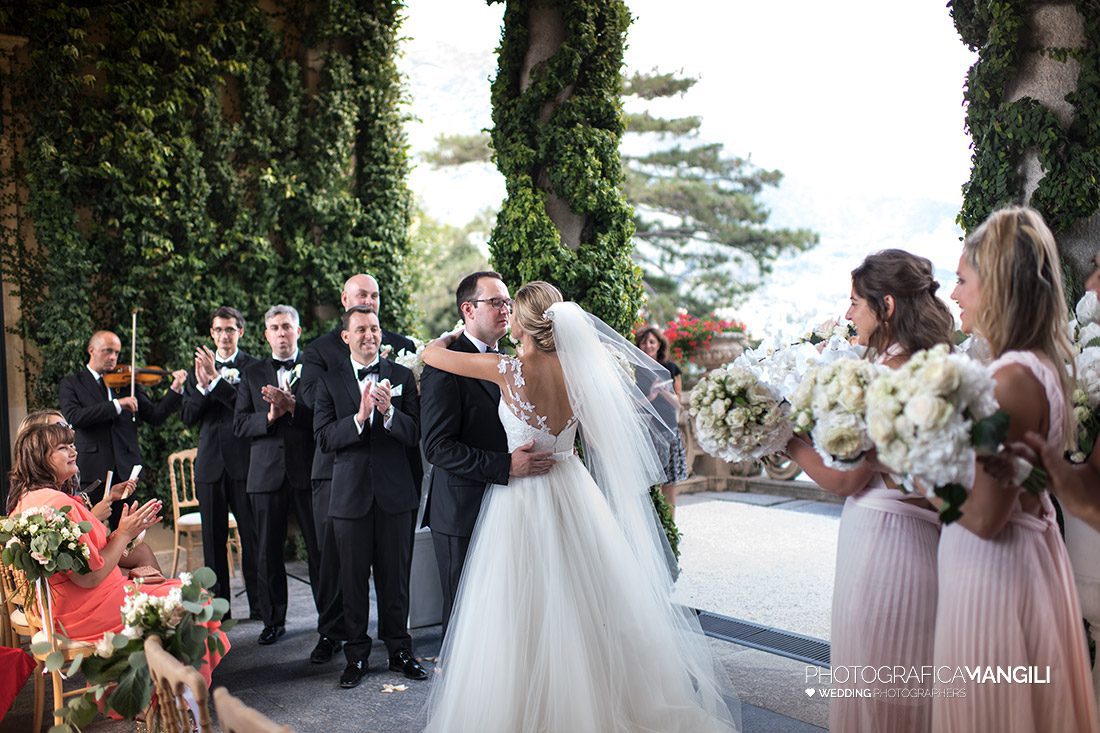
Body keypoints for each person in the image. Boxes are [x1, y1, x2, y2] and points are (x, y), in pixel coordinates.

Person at [419, 281, 737, 732]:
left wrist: (448, 337)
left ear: (521, 324)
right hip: (572, 488)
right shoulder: (580, 372)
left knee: (520, 608)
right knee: (584, 599)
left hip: (522, 497)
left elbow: (432, 356)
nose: (505, 313)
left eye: (512, 309)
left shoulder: (506, 369)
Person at [934, 206, 1098, 731]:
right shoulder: (1037, 364)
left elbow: (983, 517)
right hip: (1022, 560)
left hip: (994, 576)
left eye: (962, 280)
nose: (954, 294)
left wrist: (917, 466)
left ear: (998, 284)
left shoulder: (1009, 380)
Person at [783, 250, 952, 731]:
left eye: (856, 302)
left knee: (878, 689)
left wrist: (788, 442)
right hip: (919, 542)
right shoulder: (934, 364)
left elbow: (848, 479)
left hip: (886, 547)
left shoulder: (883, 376)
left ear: (889, 306)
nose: (848, 312)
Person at [6, 422, 228, 681]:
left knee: (172, 588)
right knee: (195, 600)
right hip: (86, 611)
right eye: (63, 447)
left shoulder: (27, 500)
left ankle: (161, 693)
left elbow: (85, 560)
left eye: (72, 445)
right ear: (40, 459)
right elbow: (89, 577)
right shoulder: (56, 503)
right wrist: (123, 534)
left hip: (67, 607)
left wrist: (129, 530)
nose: (74, 451)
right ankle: (176, 698)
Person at [419, 271, 553, 640]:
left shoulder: (515, 363)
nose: (505, 310)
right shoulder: (444, 364)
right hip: (464, 509)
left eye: (508, 303)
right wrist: (505, 466)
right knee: (466, 617)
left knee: (508, 614)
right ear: (468, 309)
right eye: (496, 302)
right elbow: (437, 447)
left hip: (516, 507)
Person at [298, 273, 419, 665]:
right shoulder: (329, 383)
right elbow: (324, 439)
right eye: (361, 329)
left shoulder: (401, 377)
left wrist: (388, 415)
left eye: (375, 328)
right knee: (351, 581)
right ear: (346, 337)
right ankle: (356, 657)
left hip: (395, 494)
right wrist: (360, 416)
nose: (370, 335)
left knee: (395, 580)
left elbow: (415, 433)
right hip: (348, 497)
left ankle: (400, 650)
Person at [233, 305, 321, 646]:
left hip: (307, 469)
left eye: (287, 326)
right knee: (267, 550)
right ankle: (272, 620)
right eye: (275, 327)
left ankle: (329, 622)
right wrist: (269, 417)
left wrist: (294, 407)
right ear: (266, 334)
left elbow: (323, 417)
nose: (281, 332)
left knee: (319, 549)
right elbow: (239, 423)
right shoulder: (252, 373)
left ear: (298, 331)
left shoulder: (313, 368)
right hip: (266, 474)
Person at [58, 330, 187, 527]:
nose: (113, 358)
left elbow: (155, 416)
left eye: (116, 353)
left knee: (126, 532)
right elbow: (74, 417)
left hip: (126, 469)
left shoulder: (127, 383)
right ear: (91, 350)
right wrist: (117, 405)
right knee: (92, 530)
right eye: (107, 351)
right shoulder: (72, 383)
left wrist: (175, 389)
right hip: (93, 470)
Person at [181, 306, 261, 619]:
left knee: (252, 538)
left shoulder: (254, 367)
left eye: (230, 329)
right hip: (210, 467)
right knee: (213, 543)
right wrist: (202, 386)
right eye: (218, 330)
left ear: (240, 332)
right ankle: (220, 611)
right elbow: (188, 417)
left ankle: (260, 607)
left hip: (244, 463)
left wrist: (215, 381)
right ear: (211, 334)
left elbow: (246, 406)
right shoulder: (196, 370)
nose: (224, 335)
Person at [15, 409, 160, 574]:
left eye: (67, 428)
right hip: (85, 584)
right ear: (37, 448)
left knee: (142, 554)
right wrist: (121, 531)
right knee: (145, 566)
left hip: (82, 574)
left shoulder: (33, 495)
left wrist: (115, 510)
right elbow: (87, 573)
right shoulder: (54, 501)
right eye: (62, 444)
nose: (72, 448)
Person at [635, 326, 687, 514]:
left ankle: (670, 533)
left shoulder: (671, 368)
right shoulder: (636, 371)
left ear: (659, 345)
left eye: (651, 342)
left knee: (670, 486)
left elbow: (678, 404)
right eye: (643, 342)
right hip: (647, 433)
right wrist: (650, 396)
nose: (647, 346)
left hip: (668, 431)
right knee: (648, 487)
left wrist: (663, 390)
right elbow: (631, 404)